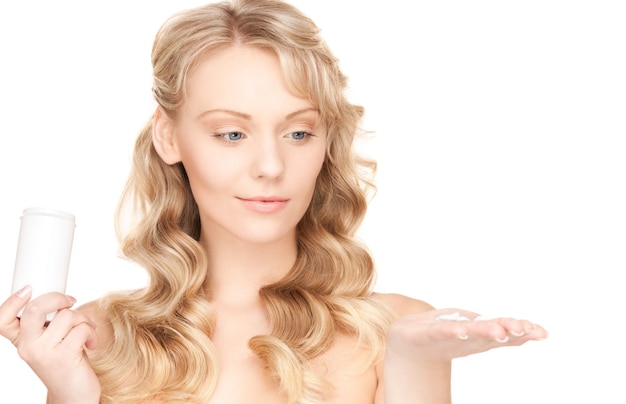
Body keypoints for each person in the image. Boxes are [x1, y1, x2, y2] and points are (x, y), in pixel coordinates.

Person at [0, 0, 547, 403]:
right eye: (231, 134)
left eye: (299, 133)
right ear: (169, 137)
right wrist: (70, 393)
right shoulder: (96, 337)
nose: (271, 166)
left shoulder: (394, 330)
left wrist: (413, 363)